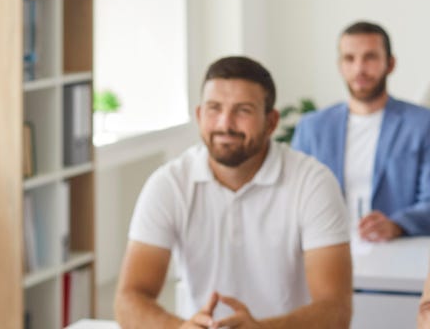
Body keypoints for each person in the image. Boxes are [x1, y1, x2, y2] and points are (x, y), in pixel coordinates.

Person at [115, 56, 352, 329]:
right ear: (199, 115)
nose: (225, 124)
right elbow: (129, 299)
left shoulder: (313, 183)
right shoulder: (168, 184)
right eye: (214, 108)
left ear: (271, 122)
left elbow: (336, 309)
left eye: (243, 111)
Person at [292, 21, 430, 242]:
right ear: (340, 65)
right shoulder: (312, 128)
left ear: (390, 64)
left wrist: (397, 224)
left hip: (398, 251)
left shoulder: (422, 124)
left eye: (370, 57)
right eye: (349, 58)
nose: (359, 69)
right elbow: (293, 198)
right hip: (325, 249)